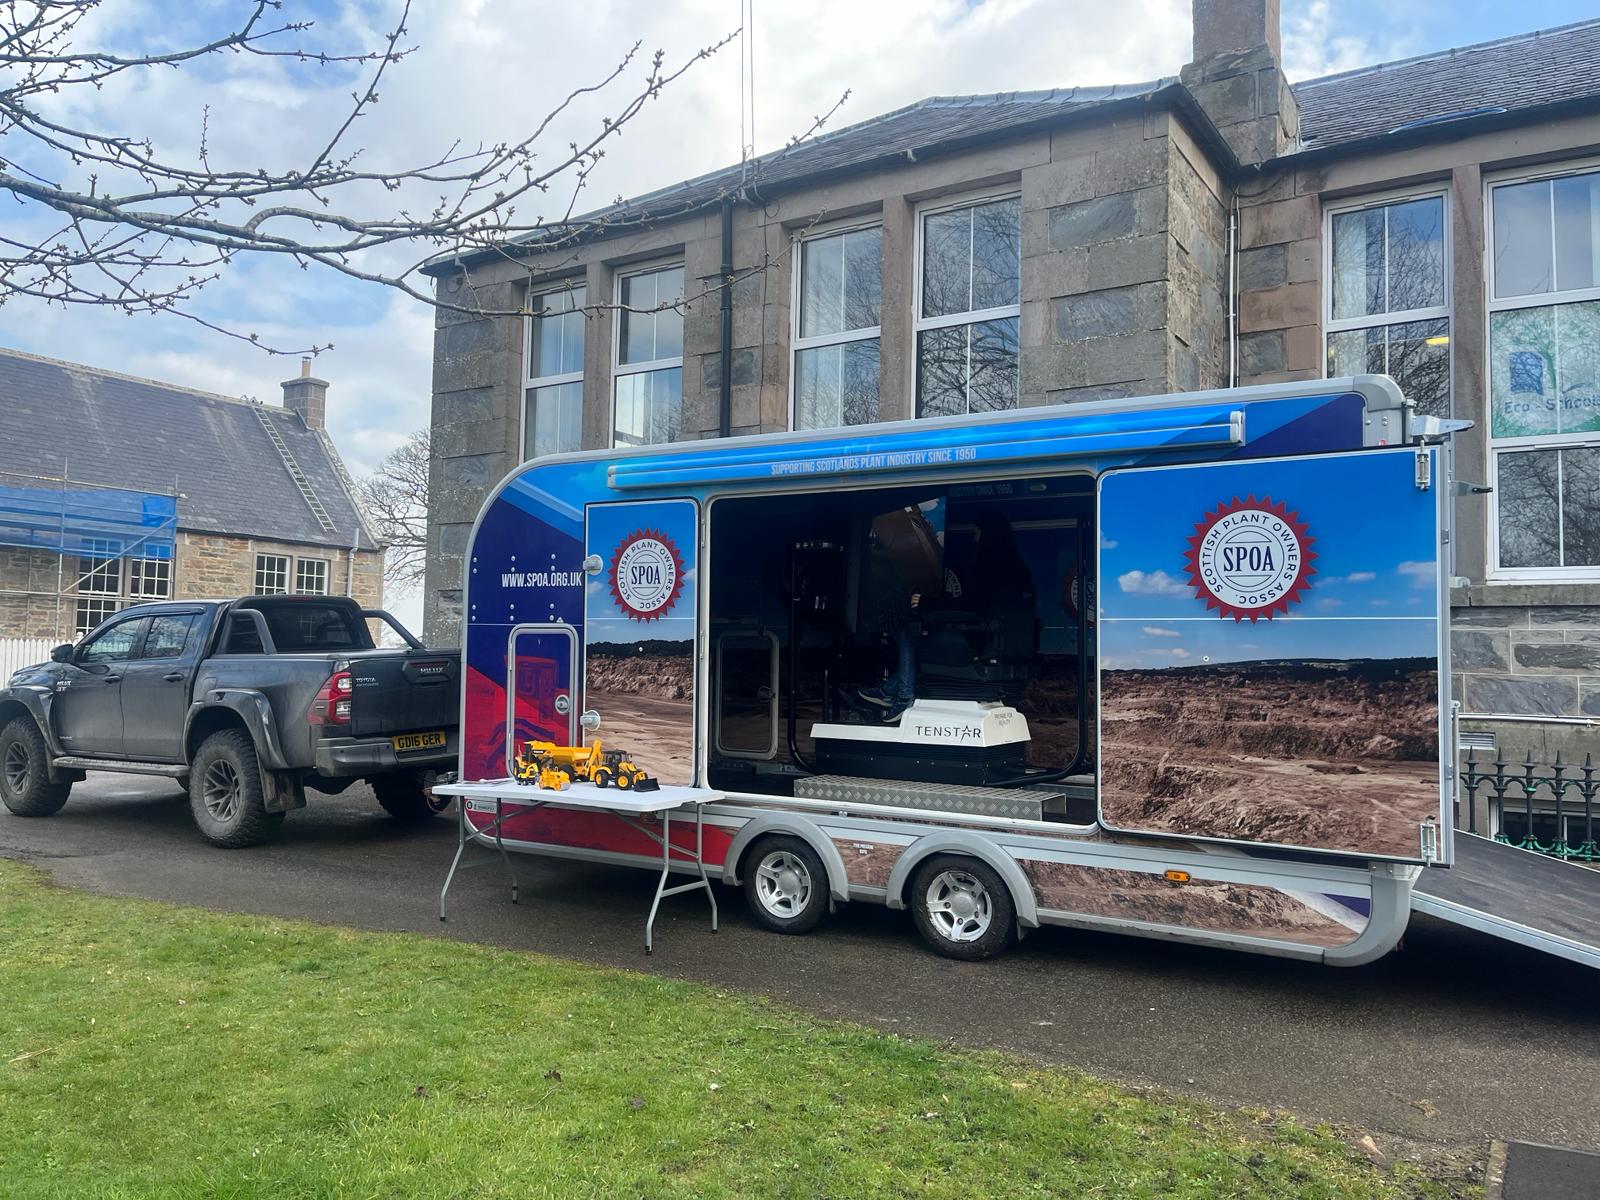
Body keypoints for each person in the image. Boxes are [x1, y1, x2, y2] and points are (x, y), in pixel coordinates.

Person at [856, 509, 1031, 717]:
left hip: (979, 640)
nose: (974, 540)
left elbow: (970, 607)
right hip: (1001, 642)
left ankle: (903, 697)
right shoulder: (1016, 565)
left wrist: (926, 603)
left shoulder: (990, 563)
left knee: (909, 632)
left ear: (987, 534)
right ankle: (889, 692)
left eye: (976, 534)